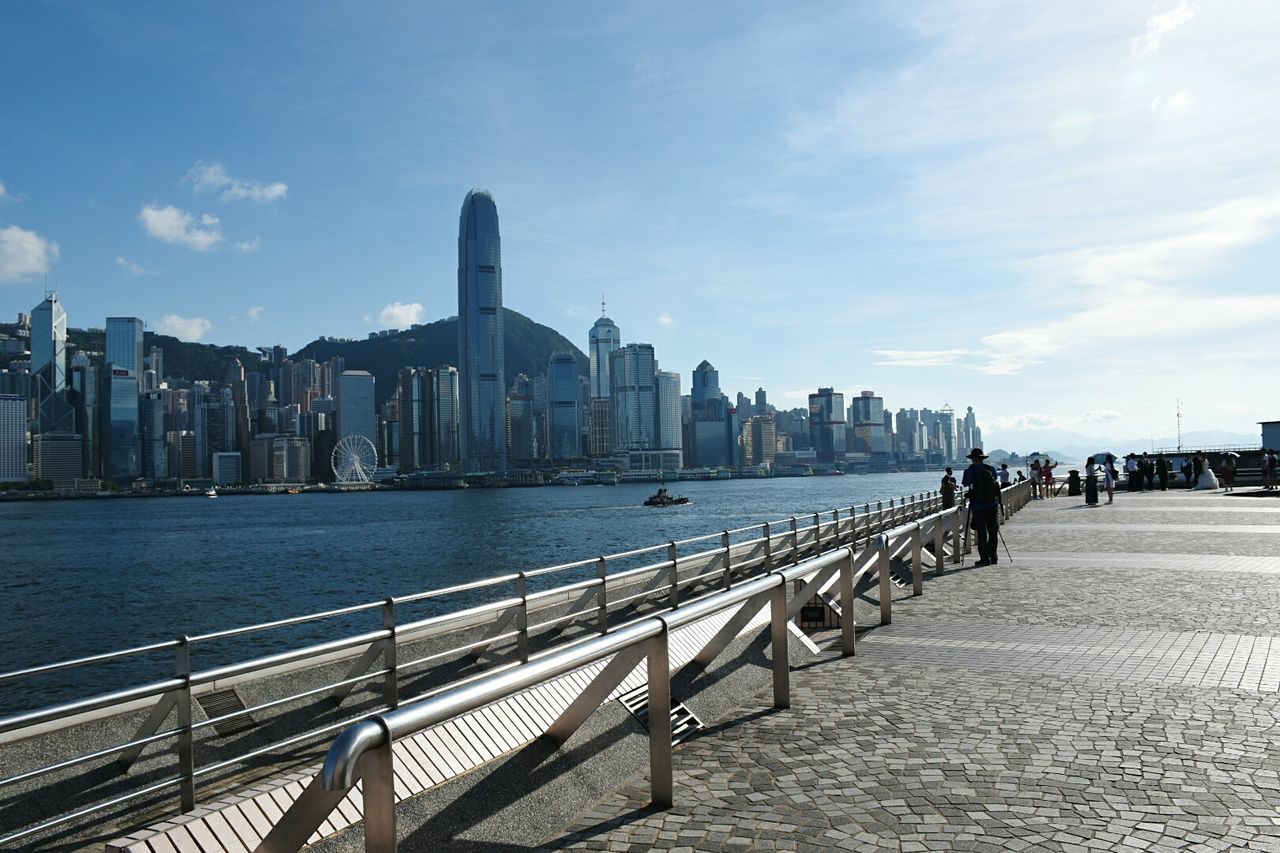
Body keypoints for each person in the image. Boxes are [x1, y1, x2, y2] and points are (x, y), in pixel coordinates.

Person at [961, 448, 1001, 566]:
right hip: (992, 505)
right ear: (983, 458)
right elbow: (994, 482)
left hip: (978, 506)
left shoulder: (969, 471)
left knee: (982, 533)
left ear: (972, 459)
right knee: (993, 531)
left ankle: (984, 558)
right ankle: (993, 556)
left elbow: (965, 483)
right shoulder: (991, 469)